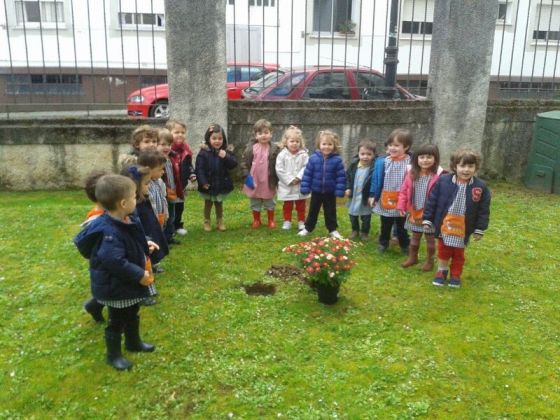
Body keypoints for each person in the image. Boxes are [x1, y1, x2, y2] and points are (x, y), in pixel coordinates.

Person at [74, 174, 158, 371]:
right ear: (123, 203)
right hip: (116, 287)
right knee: (117, 321)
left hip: (125, 286)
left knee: (132, 313)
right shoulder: (109, 232)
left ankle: (133, 342)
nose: (136, 201)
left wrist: (144, 243)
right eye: (133, 197)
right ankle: (113, 355)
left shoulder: (123, 220)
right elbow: (114, 261)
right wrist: (139, 275)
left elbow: (130, 241)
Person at [423, 149, 491, 288]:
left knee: (458, 252)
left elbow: (484, 210)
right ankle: (441, 271)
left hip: (463, 227)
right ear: (454, 166)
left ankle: (455, 274)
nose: (466, 170)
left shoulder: (480, 187)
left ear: (476, 167)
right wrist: (428, 219)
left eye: (470, 166)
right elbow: (432, 200)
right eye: (462, 166)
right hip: (444, 224)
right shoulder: (443, 181)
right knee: (443, 249)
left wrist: (479, 229)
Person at [397, 144, 444, 270]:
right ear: (416, 159)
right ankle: (413, 258)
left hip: (430, 214)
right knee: (415, 236)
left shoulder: (439, 176)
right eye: (421, 157)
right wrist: (401, 205)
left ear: (435, 159)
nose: (425, 160)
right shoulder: (411, 174)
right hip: (415, 211)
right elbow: (404, 190)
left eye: (429, 157)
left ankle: (429, 261)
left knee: (429, 239)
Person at [121, 164, 162, 304]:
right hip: (132, 248)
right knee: (137, 269)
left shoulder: (134, 205)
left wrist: (145, 240)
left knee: (145, 266)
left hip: (139, 243)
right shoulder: (127, 209)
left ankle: (146, 292)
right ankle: (140, 296)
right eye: (146, 183)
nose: (148, 187)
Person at [368, 128, 413, 254]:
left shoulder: (411, 162)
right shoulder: (382, 162)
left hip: (402, 200)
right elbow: (375, 180)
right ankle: (383, 243)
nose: (392, 148)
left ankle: (405, 245)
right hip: (385, 199)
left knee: (401, 226)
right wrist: (372, 195)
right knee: (385, 225)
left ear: (406, 147)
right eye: (390, 145)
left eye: (397, 145)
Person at [298, 129, 346, 239]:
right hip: (316, 191)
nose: (326, 147)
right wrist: (305, 186)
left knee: (330, 212)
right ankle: (308, 228)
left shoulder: (337, 160)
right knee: (313, 211)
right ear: (319, 144)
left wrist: (339, 190)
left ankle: (332, 229)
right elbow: (307, 174)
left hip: (330, 192)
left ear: (334, 145)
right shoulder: (313, 158)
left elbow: (341, 176)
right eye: (324, 144)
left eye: (330, 144)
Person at [195, 124, 238, 232]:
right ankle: (206, 221)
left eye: (220, 138)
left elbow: (233, 164)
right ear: (208, 139)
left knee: (219, 203)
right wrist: (203, 182)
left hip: (220, 183)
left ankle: (220, 221)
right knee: (208, 203)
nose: (217, 141)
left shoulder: (225, 152)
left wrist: (226, 157)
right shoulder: (203, 153)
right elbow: (199, 169)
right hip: (208, 184)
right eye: (214, 138)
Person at [242, 119, 280, 229]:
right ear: (255, 135)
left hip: (268, 179)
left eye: (266, 132)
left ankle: (271, 220)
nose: (263, 135)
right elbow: (244, 162)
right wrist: (246, 176)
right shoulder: (250, 148)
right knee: (255, 200)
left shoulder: (275, 149)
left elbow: (280, 163)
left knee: (269, 200)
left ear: (271, 134)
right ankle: (256, 220)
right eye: (260, 133)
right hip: (254, 179)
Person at [81, 170, 108, 323]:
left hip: (111, 257)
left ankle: (95, 305)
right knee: (108, 288)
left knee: (110, 288)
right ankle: (94, 306)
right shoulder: (95, 219)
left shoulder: (109, 212)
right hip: (103, 261)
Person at [275, 125, 310, 230]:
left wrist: (299, 177)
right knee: (288, 205)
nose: (294, 143)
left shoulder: (304, 154)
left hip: (300, 184)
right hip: (287, 185)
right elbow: (279, 169)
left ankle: (301, 221)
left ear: (300, 142)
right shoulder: (282, 155)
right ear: (286, 142)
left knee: (301, 205)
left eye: (297, 141)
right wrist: (290, 179)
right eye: (292, 141)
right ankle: (287, 221)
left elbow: (307, 167)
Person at [166, 119, 196, 236]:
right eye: (176, 132)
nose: (180, 135)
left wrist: (192, 173)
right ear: (169, 134)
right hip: (170, 184)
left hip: (181, 184)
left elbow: (188, 164)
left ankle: (178, 225)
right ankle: (169, 227)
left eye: (182, 132)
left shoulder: (186, 150)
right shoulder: (167, 149)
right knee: (169, 207)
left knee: (179, 206)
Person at [345, 140, 376, 241]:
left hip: (365, 196)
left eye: (369, 154)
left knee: (366, 216)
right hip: (354, 195)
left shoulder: (374, 168)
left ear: (374, 155)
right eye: (362, 154)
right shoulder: (354, 165)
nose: (365, 157)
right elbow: (348, 177)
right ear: (358, 154)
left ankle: (364, 232)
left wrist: (372, 195)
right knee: (352, 214)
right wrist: (348, 187)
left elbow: (375, 182)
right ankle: (355, 230)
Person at [157, 128, 180, 244]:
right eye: (163, 144)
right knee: (163, 216)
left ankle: (169, 237)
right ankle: (163, 239)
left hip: (172, 191)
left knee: (172, 215)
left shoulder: (171, 158)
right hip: (162, 193)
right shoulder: (157, 161)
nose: (167, 147)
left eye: (169, 144)